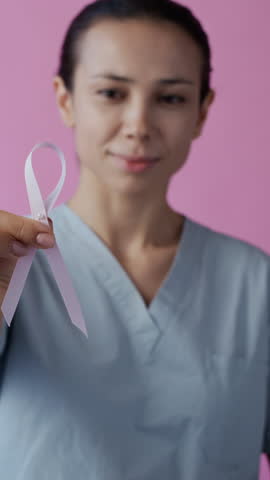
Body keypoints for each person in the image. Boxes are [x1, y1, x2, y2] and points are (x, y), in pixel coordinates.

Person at [0, 0, 269, 478]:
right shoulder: (10, 264)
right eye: (110, 92)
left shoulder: (255, 284)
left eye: (170, 98)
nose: (139, 126)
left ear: (202, 113)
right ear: (66, 100)